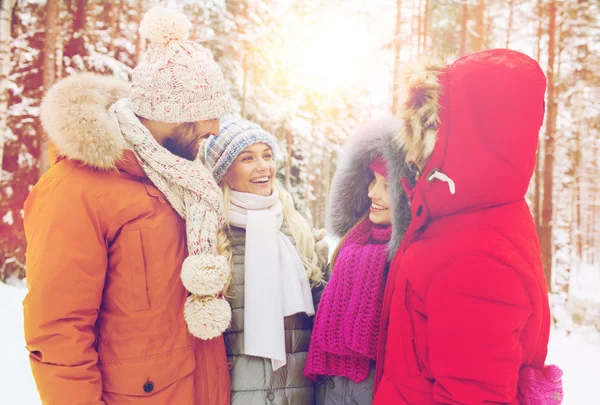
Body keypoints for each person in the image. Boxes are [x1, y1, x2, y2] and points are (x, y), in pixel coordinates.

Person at [23, 7, 233, 405]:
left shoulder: (183, 182)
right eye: (206, 115)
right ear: (169, 112)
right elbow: (58, 335)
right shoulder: (76, 190)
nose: (215, 129)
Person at [374, 49, 563, 405]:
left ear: (468, 140)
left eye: (425, 136)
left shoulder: (473, 260)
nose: (410, 158)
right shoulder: (471, 217)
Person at [204, 116, 329, 405]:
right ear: (224, 171)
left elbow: (324, 319)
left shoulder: (298, 232)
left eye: (268, 155)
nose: (263, 166)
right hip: (236, 395)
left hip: (299, 393)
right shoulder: (210, 236)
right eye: (247, 158)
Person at [304, 119, 411, 405]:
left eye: (386, 185)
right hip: (330, 391)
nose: (372, 193)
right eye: (372, 181)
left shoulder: (411, 261)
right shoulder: (352, 244)